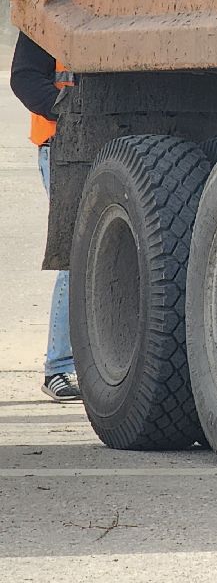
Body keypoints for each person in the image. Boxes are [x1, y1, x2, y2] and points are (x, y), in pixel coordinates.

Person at [11, 32, 79, 403]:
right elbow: (24, 78)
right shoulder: (50, 18)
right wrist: (67, 107)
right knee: (73, 255)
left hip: (112, 143)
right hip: (62, 145)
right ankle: (59, 366)